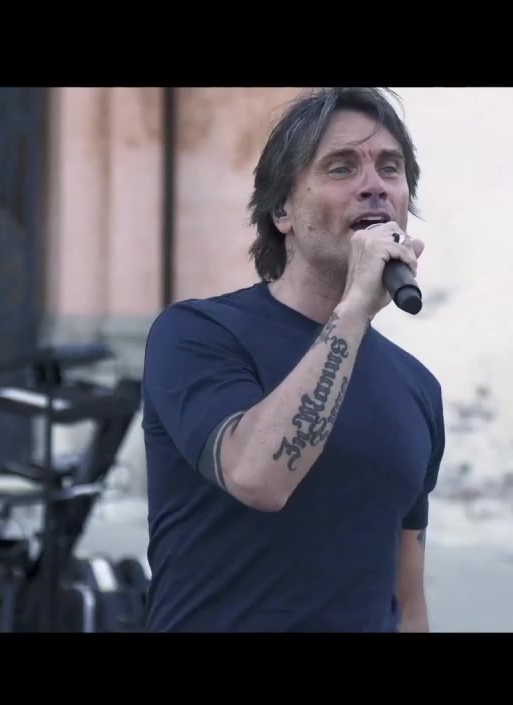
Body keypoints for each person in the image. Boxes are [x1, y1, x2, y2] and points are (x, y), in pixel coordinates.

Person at [140, 87, 444, 632]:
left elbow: (408, 601)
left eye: (390, 168)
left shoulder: (417, 387)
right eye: (341, 167)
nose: (374, 186)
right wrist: (354, 309)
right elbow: (258, 476)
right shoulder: (197, 335)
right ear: (282, 209)